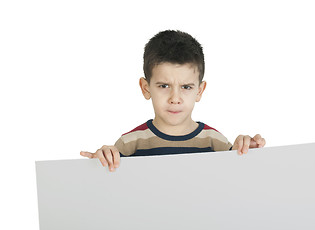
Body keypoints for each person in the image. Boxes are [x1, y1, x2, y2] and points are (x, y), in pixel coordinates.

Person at [80, 30, 266, 172]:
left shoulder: (213, 141)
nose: (175, 99)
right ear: (146, 88)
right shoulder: (130, 143)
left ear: (199, 91)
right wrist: (101, 162)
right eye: (163, 86)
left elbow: (236, 177)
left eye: (186, 87)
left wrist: (247, 151)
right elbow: (109, 185)